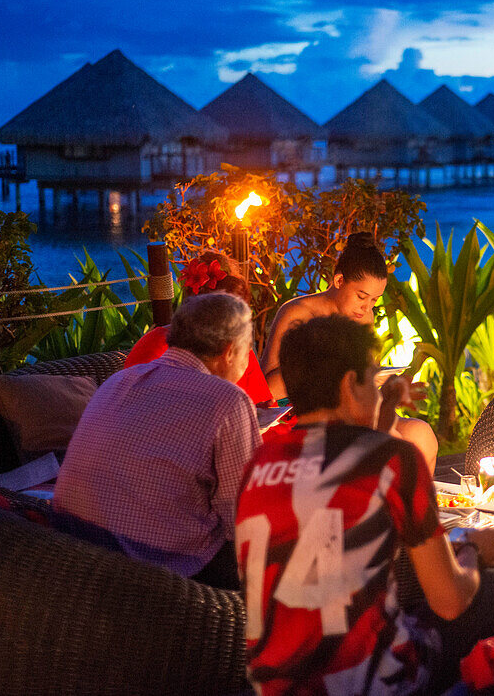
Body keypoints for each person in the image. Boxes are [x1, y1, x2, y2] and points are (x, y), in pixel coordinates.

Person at [236, 315, 494, 695]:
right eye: (373, 378)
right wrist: (473, 550)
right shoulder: (393, 459)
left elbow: (341, 466)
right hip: (371, 683)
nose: (378, 386)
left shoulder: (259, 461)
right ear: (350, 385)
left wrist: (383, 410)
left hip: (277, 685)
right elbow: (450, 601)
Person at [55, 293, 261, 588]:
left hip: (73, 549)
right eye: (248, 348)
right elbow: (243, 517)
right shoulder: (227, 400)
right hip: (155, 574)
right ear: (230, 351)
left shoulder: (119, 380)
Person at [261, 232, 438, 471]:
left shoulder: (364, 318)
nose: (366, 308)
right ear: (339, 281)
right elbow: (267, 390)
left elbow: (365, 376)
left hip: (352, 411)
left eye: (374, 301)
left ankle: (412, 506)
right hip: (305, 414)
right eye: (361, 297)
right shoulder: (298, 313)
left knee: (422, 435)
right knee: (391, 446)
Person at [125, 251, 273, 405]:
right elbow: (142, 407)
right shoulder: (160, 347)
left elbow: (260, 400)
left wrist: (263, 409)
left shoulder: (236, 346)